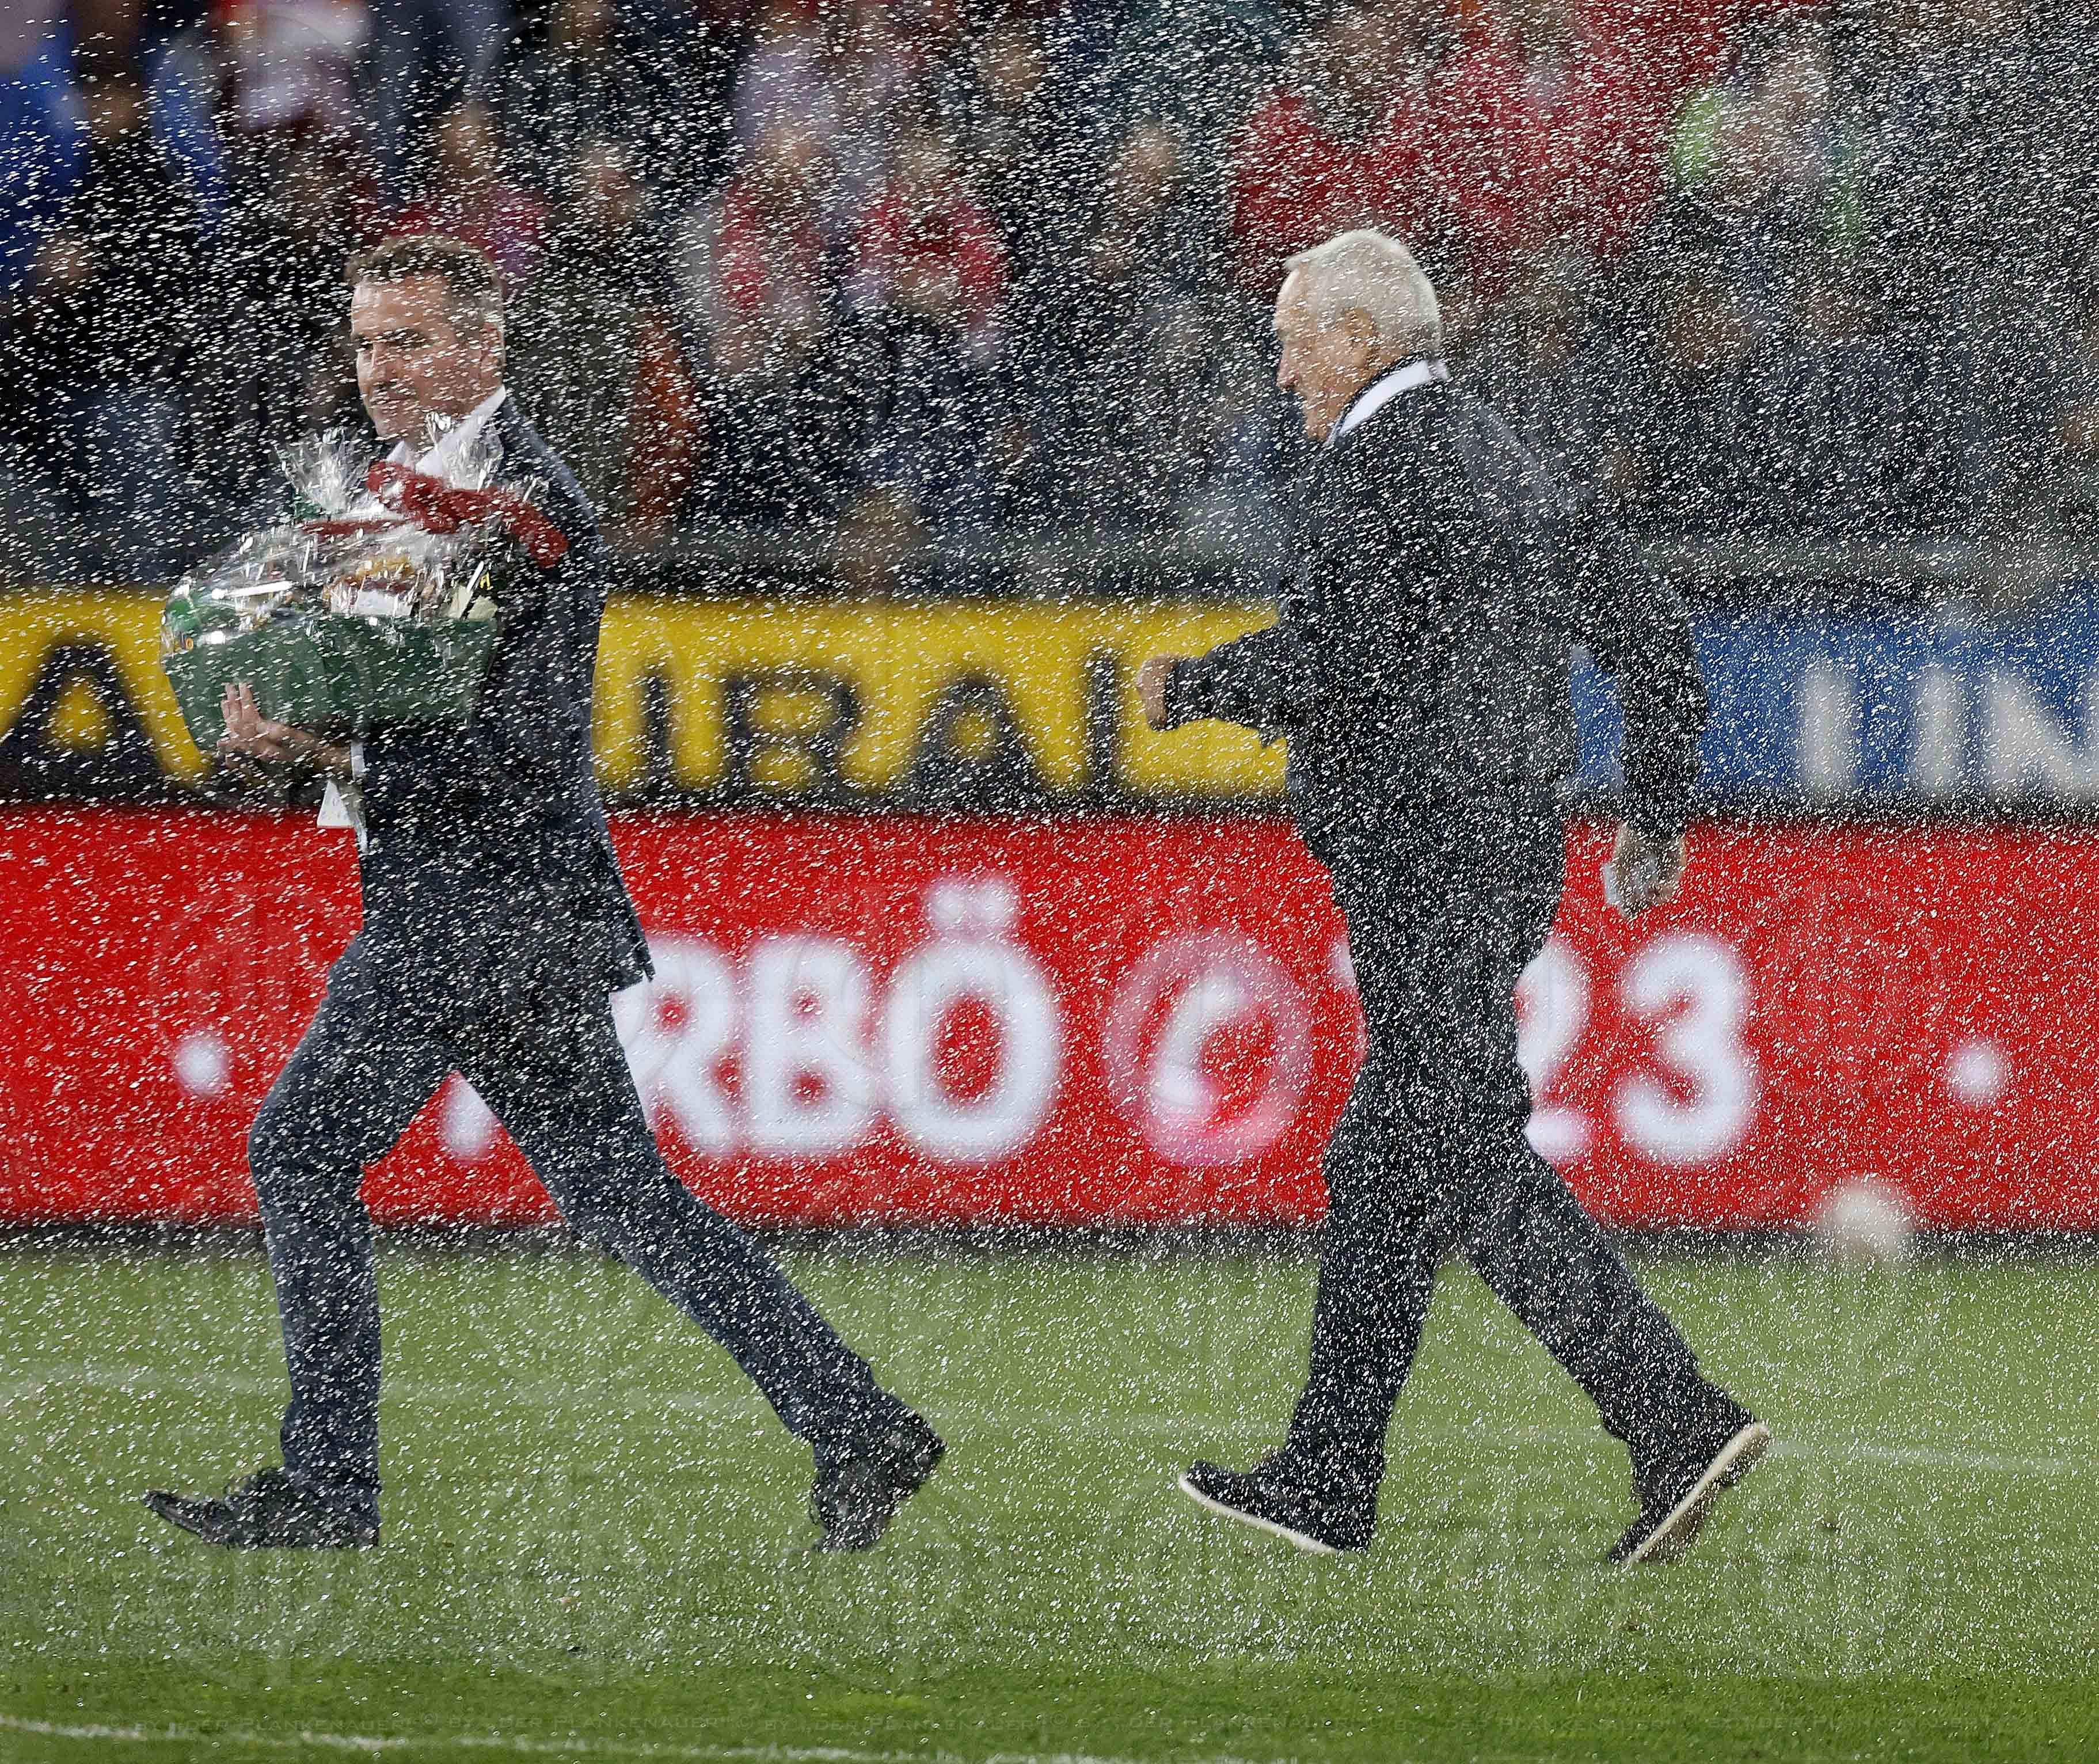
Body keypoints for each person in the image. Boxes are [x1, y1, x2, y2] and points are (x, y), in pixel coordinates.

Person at [142, 234, 942, 1552]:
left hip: (475, 904)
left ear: (482, 346)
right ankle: (858, 1423)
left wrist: (327, 743)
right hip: (512, 902)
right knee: (626, 1196)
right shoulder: (418, 493)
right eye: (364, 345)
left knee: (297, 1148)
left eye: (409, 341)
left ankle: (331, 1486)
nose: (382, 371)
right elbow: (427, 711)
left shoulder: (526, 502)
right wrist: (293, 713)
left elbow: (501, 742)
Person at [1138, 229, 1767, 1566]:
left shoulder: (1380, 463)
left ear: (1360, 341)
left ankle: (1672, 1416)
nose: (1282, 366)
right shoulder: (1501, 453)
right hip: (1497, 842)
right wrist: (1651, 810)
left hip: (1425, 851)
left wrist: (1196, 683)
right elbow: (1649, 630)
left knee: (1456, 1149)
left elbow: (1341, 650)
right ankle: (1327, 1473)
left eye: (1295, 338)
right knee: (1388, 1156)